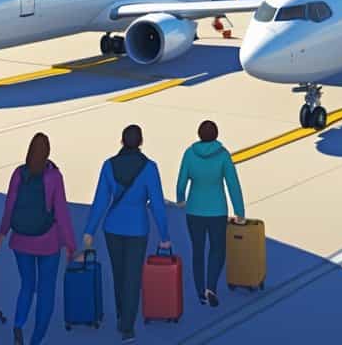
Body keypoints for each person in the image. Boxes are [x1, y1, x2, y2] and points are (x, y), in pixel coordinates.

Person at [83, 125, 170, 344]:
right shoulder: (150, 168)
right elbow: (158, 205)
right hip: (138, 229)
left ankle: (122, 313)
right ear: (141, 142)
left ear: (121, 141)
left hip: (112, 228)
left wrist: (89, 230)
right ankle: (127, 327)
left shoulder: (108, 165)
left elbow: (100, 200)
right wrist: (164, 235)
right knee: (132, 277)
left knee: (119, 274)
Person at [0, 133, 76, 345]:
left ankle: (18, 325)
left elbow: (9, 206)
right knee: (46, 290)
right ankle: (36, 339)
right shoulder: (54, 176)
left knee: (27, 285)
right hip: (48, 242)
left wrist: (1, 235)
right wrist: (70, 245)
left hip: (21, 240)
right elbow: (62, 213)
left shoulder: (19, 174)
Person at [175, 120, 245, 307]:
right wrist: (239, 211)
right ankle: (211, 286)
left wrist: (180, 198)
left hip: (194, 210)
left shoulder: (189, 154)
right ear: (216, 135)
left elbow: (182, 180)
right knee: (217, 249)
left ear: (199, 134)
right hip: (217, 211)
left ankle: (200, 292)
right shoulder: (223, 155)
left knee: (197, 251)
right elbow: (233, 185)